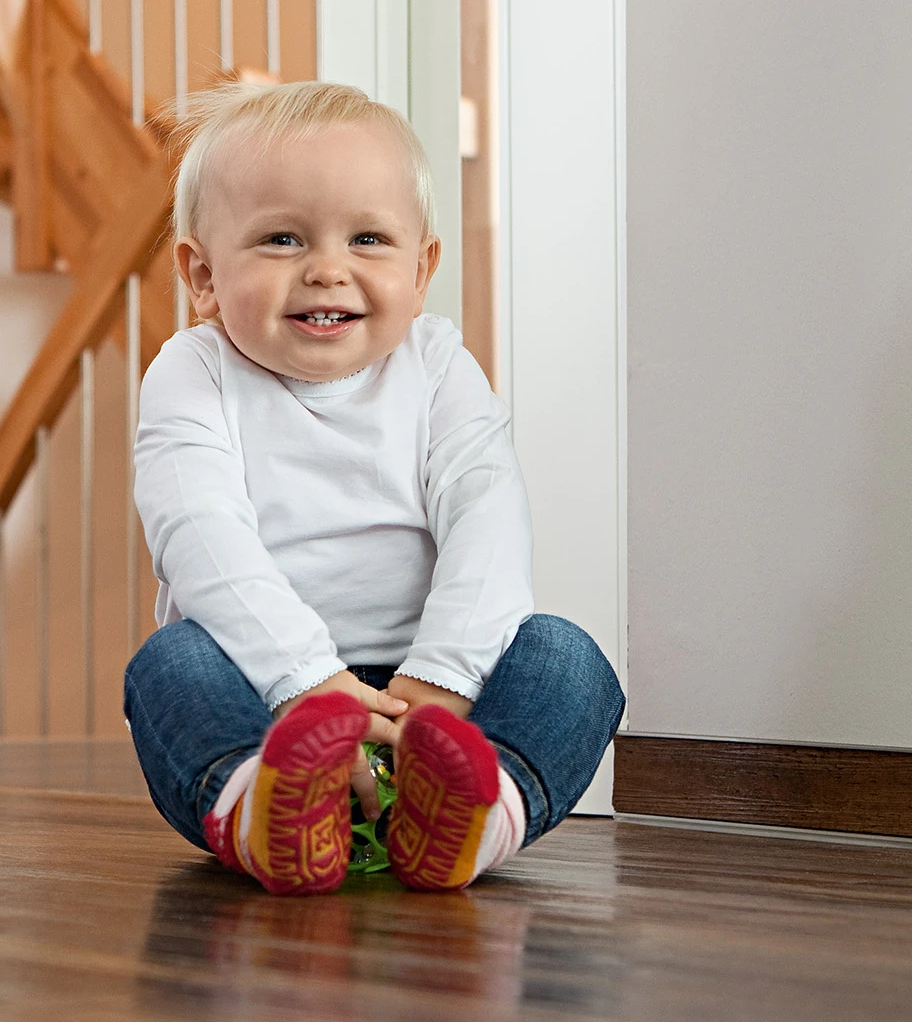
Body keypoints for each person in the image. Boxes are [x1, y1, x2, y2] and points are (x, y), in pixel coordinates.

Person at [125, 80, 624, 896]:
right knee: (171, 665)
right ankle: (265, 808)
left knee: (569, 660)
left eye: (366, 238)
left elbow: (487, 518)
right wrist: (308, 685)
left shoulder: (435, 368)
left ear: (422, 268)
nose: (327, 269)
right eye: (282, 239)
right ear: (203, 274)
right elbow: (199, 534)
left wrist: (442, 684)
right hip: (267, 694)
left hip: (435, 700)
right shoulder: (194, 373)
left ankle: (472, 813)